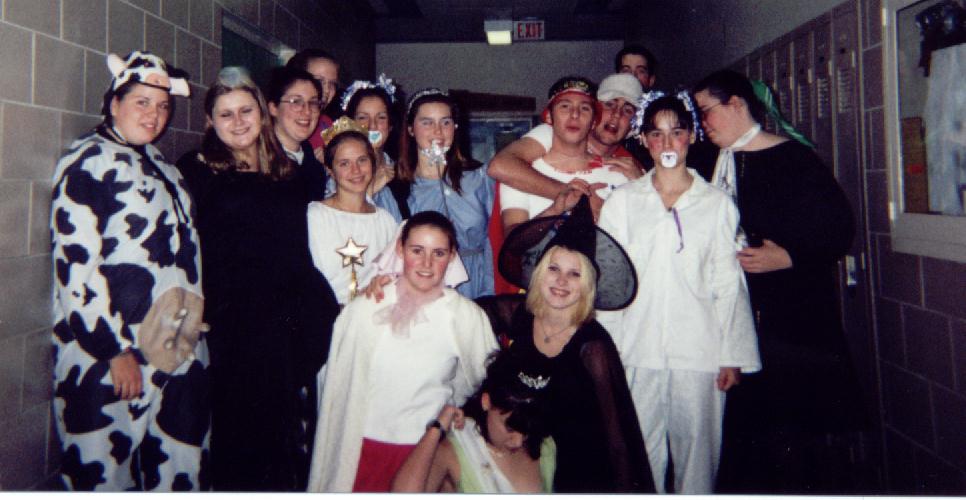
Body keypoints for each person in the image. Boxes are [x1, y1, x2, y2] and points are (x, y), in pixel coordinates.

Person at [692, 69, 864, 493]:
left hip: (789, 321)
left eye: (706, 111)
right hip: (733, 319)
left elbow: (838, 228)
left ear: (736, 104)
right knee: (743, 443)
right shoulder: (710, 160)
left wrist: (788, 256)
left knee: (790, 439)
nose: (703, 123)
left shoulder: (792, 160)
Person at [51, 51, 208, 491]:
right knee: (103, 475)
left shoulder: (163, 166)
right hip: (112, 354)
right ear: (114, 103)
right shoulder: (88, 161)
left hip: (175, 346)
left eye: (163, 106)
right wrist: (112, 350)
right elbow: (76, 267)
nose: (154, 115)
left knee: (179, 471)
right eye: (142, 102)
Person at [177, 67, 339, 491]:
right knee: (236, 437)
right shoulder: (196, 170)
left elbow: (301, 248)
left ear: (261, 114)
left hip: (282, 327)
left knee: (280, 438)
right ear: (210, 121)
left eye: (245, 110)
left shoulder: (289, 172)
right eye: (225, 114)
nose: (238, 122)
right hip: (231, 326)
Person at [597, 92, 761, 493]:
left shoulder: (716, 204)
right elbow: (610, 281)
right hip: (636, 348)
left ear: (691, 136)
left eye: (676, 132)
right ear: (644, 141)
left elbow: (728, 283)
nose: (667, 143)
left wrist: (732, 354)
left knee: (698, 458)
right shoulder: (623, 202)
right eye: (657, 134)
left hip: (699, 352)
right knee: (639, 456)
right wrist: (607, 353)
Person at [308, 211, 499, 492]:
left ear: (452, 256)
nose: (426, 263)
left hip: (426, 451)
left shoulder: (465, 316)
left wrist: (460, 411)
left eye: (438, 253)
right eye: (417, 250)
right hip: (363, 448)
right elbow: (337, 387)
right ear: (400, 249)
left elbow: (487, 382)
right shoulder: (366, 308)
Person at [497, 196, 655, 493]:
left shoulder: (593, 347)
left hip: (578, 473)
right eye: (554, 269)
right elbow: (466, 311)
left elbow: (617, 441)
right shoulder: (519, 314)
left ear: (587, 285)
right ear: (540, 273)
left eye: (574, 274)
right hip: (526, 462)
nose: (561, 281)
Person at [390, 350, 556, 493]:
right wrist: (437, 428)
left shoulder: (545, 446)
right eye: (510, 428)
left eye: (527, 430)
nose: (518, 441)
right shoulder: (457, 450)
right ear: (486, 402)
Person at [389, 88, 495, 298]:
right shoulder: (396, 189)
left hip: (476, 285)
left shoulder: (479, 178)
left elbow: (493, 238)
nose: (438, 131)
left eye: (445, 122)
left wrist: (490, 293)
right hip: (424, 289)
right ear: (411, 129)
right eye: (427, 122)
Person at [499, 76, 633, 235]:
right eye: (565, 106)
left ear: (593, 122)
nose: (575, 114)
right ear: (549, 117)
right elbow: (512, 242)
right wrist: (555, 210)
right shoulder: (522, 175)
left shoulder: (618, 175)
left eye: (584, 108)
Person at [488, 74, 644, 202]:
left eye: (628, 110)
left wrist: (642, 184)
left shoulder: (629, 165)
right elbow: (499, 165)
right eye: (609, 104)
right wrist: (578, 200)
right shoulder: (553, 134)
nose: (617, 114)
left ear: (633, 126)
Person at [307, 117, 398, 305]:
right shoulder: (315, 216)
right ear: (330, 170)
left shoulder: (385, 221)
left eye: (362, 160)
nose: (356, 170)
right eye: (344, 163)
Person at [338, 74, 403, 221]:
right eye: (362, 117)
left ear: (390, 125)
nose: (372, 126)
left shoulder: (402, 172)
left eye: (381, 117)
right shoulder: (340, 172)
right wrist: (370, 190)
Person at [265, 66, 327, 200]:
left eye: (313, 103)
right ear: (273, 108)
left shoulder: (315, 167)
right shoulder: (259, 163)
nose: (307, 111)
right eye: (296, 102)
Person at [286, 48, 340, 149]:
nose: (327, 90)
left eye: (332, 84)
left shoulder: (327, 123)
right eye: (319, 81)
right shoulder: (287, 122)